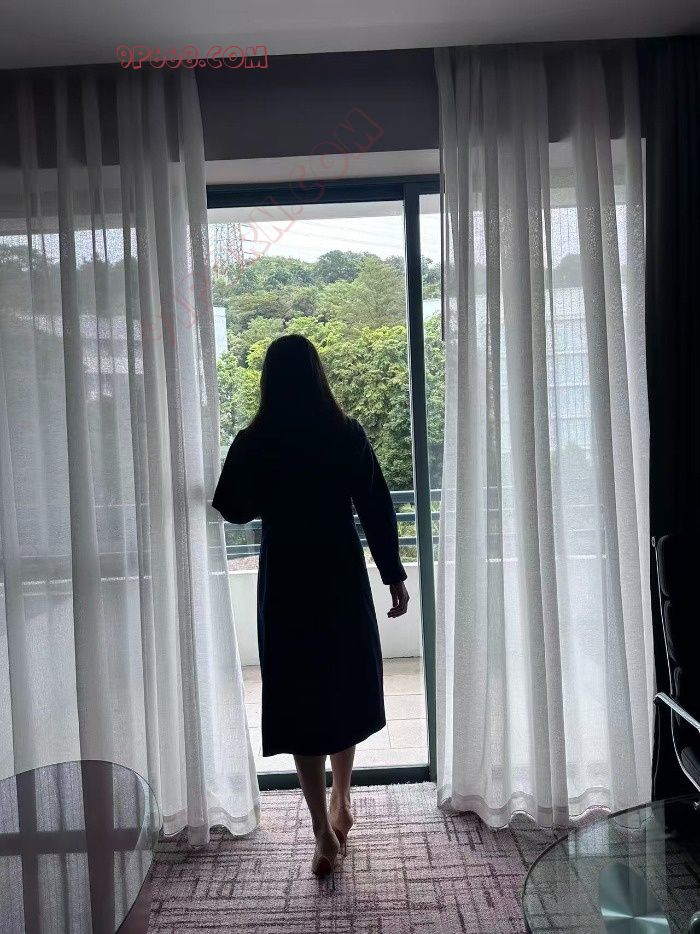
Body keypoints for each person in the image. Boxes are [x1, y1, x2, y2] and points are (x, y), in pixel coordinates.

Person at [212, 334, 410, 881]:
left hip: (287, 580)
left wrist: (264, 481)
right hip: (339, 573)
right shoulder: (344, 432)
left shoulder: (256, 438)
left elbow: (232, 506)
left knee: (301, 698)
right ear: (317, 375)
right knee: (343, 686)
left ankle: (322, 827)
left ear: (268, 381)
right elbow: (375, 505)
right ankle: (342, 799)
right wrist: (393, 574)